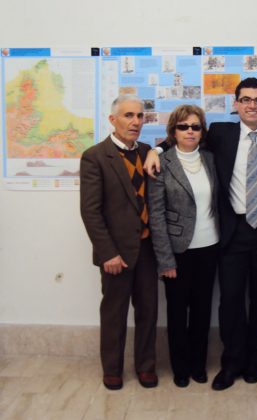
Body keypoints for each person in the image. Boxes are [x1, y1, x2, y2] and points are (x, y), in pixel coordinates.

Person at [144, 78, 257, 391]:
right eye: (245, 99)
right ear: (235, 104)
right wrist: (156, 150)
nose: (251, 105)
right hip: (232, 232)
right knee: (230, 302)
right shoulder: (221, 134)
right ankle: (232, 362)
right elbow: (184, 139)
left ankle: (254, 359)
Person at [80, 94, 158, 391]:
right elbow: (90, 211)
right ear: (112, 120)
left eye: (139, 116)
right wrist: (107, 253)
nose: (135, 122)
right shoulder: (95, 156)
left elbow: (171, 144)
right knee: (114, 313)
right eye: (128, 115)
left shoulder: (147, 151)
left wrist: (158, 150)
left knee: (149, 311)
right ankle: (112, 369)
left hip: (147, 249)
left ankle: (146, 366)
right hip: (116, 253)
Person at [147, 105, 219, 388]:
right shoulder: (161, 163)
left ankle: (198, 364)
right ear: (173, 131)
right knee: (177, 314)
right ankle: (180, 367)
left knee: (202, 311)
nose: (190, 131)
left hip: (210, 247)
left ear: (202, 131)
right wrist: (165, 260)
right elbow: (156, 215)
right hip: (178, 252)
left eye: (195, 126)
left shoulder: (210, 158)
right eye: (183, 126)